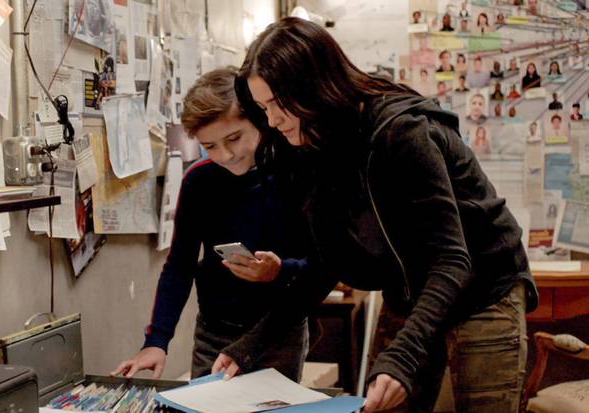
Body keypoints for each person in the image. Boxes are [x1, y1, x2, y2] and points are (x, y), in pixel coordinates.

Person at [215, 18, 536, 413]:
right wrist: (251, 345)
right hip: (411, 291)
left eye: (280, 105)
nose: (273, 120)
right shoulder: (311, 151)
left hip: (483, 288)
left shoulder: (401, 134)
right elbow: (323, 267)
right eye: (264, 108)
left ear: (314, 88)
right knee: (379, 404)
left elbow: (452, 260)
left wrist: (404, 359)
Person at [111, 67, 312, 383]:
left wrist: (281, 270)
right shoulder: (199, 182)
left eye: (234, 138)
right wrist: (157, 341)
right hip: (214, 335)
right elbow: (179, 266)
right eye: (212, 146)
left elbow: (322, 264)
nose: (227, 155)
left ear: (259, 120)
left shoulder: (296, 174)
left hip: (278, 332)